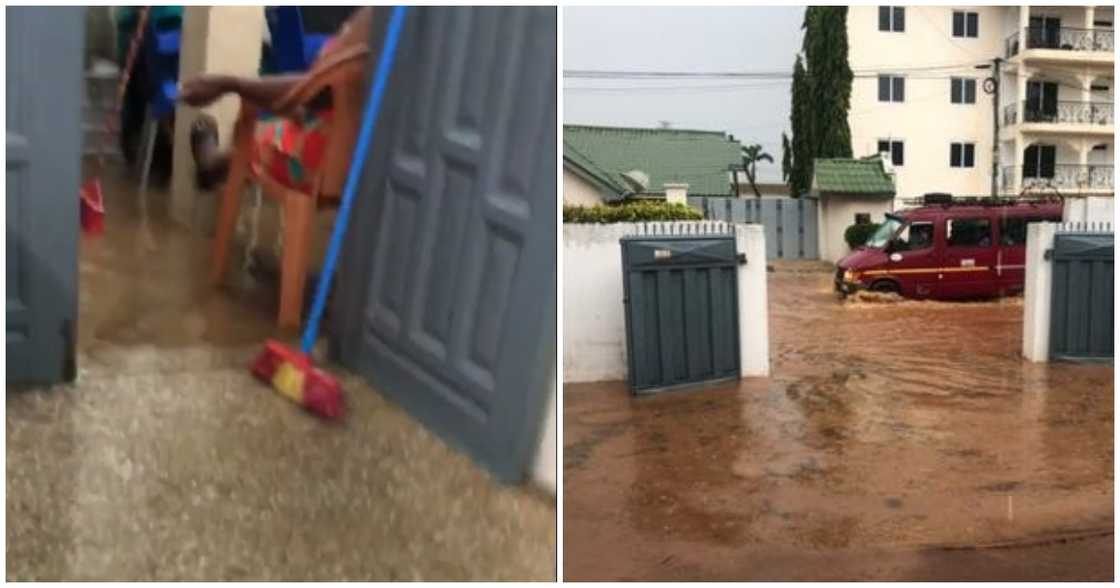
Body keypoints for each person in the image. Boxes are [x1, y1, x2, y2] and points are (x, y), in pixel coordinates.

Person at [179, 6, 372, 192]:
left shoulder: (376, 17)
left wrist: (229, 84)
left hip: (336, 164)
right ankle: (221, 165)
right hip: (382, 162)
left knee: (257, 132)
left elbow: (317, 89)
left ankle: (216, 164)